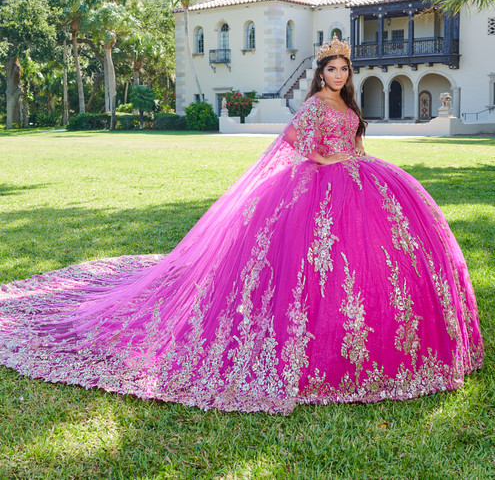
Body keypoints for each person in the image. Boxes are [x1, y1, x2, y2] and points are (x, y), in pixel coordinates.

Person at [0, 39, 483, 415]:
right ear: (321, 72)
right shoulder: (315, 103)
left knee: (377, 256)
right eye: (331, 68)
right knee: (311, 262)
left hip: (363, 179)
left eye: (343, 69)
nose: (337, 75)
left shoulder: (349, 107)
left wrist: (354, 157)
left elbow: (353, 143)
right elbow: (293, 141)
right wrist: (325, 157)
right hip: (323, 183)